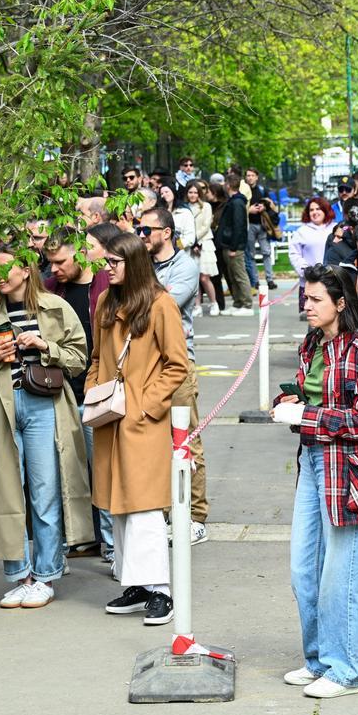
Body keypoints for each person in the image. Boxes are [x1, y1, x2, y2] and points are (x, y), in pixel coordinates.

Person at [272, 266, 358, 699]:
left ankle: (346, 671)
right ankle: (319, 661)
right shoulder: (312, 343)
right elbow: (309, 397)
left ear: (341, 304)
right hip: (312, 459)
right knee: (304, 571)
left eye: (316, 299)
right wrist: (289, 402)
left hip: (348, 469)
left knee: (343, 574)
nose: (307, 305)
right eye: (306, 297)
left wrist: (308, 416)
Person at [0, 243, 92, 610]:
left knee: (44, 492)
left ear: (26, 270)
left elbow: (79, 358)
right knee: (6, 492)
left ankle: (46, 575)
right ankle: (21, 576)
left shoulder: (55, 307)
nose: (0, 276)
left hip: (44, 406)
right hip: (1, 409)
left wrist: (44, 346)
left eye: (7, 269)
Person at [92, 233, 190, 627]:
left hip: (141, 421)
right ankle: (136, 584)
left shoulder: (161, 304)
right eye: (106, 262)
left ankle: (161, 590)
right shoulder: (105, 301)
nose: (107, 268)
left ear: (132, 263)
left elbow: (177, 364)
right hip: (109, 418)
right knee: (118, 504)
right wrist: (93, 391)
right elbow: (97, 357)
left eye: (114, 262)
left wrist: (147, 406)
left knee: (145, 507)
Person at [140, 208, 209, 544]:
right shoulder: (143, 264)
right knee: (155, 441)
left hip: (178, 363)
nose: (140, 235)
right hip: (146, 364)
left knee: (186, 439)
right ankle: (165, 511)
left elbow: (159, 307)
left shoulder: (185, 266)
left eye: (146, 229)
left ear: (165, 232)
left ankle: (196, 517)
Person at [44, 236, 114, 560]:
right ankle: (79, 538)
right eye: (50, 263)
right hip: (60, 396)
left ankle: (111, 545)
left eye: (61, 261)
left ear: (80, 255)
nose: (54, 269)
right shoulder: (49, 290)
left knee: (102, 471)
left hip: (95, 395)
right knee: (65, 473)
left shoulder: (104, 286)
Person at [216, 172, 254, 315]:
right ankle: (238, 302)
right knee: (232, 276)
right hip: (230, 244)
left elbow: (239, 226)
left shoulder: (237, 203)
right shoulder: (235, 201)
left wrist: (234, 247)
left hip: (234, 246)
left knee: (239, 275)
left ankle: (247, 304)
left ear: (228, 185)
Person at [288, 197, 336, 306]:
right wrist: (305, 270)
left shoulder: (335, 228)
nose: (314, 212)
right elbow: (294, 254)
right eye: (311, 210)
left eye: (318, 209)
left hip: (331, 282)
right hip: (308, 283)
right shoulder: (301, 232)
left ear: (325, 210)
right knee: (310, 314)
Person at [182, 182, 219, 316]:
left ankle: (214, 303)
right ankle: (197, 306)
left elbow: (206, 226)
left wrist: (196, 241)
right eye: (190, 192)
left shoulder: (206, 206)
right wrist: (191, 243)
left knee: (204, 277)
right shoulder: (184, 208)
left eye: (195, 192)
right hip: (189, 245)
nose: (193, 195)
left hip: (204, 243)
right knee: (194, 278)